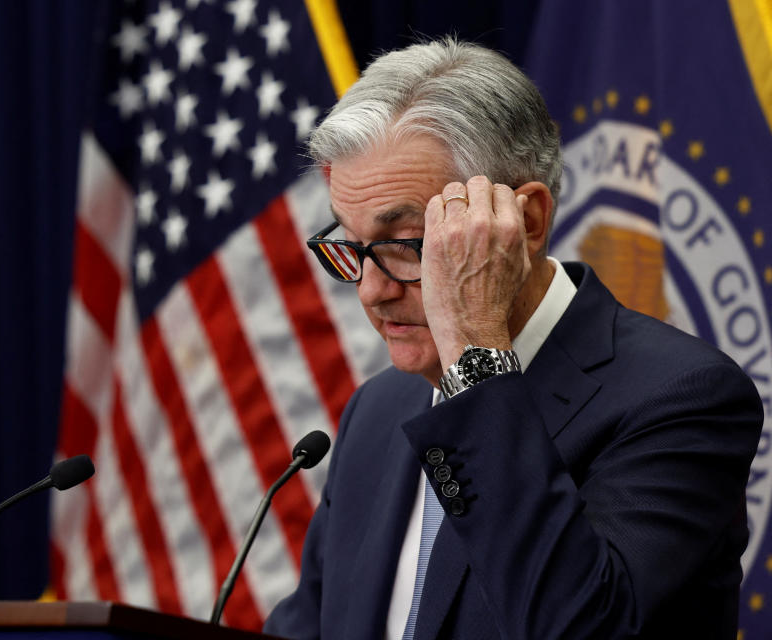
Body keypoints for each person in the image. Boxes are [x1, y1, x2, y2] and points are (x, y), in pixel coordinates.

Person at [263, 37, 763, 639]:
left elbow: (580, 628)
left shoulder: (682, 399)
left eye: (406, 244)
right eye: (351, 245)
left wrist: (474, 348)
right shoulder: (378, 409)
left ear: (524, 223)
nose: (371, 290)